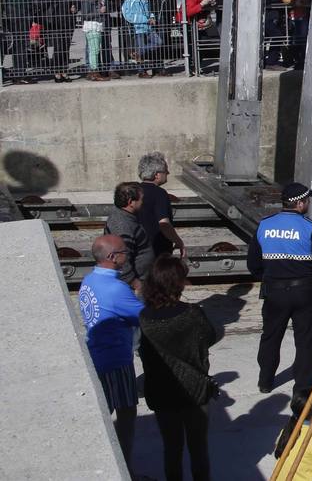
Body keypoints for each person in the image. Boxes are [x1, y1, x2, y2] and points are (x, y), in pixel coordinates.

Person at [247, 183, 312, 396]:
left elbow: (253, 265)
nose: (309, 204)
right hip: (305, 292)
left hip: (274, 292)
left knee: (270, 336)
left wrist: (270, 277)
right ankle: (302, 388)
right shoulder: (311, 228)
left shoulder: (264, 225)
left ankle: (265, 380)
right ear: (300, 203)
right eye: (308, 201)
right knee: (306, 340)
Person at [139, 254, 222, 481]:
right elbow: (211, 337)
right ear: (177, 283)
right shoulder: (192, 314)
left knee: (171, 448)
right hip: (193, 389)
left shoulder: (144, 317)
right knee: (198, 449)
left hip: (160, 389)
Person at [79, 234, 145, 465]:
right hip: (116, 360)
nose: (127, 254)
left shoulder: (88, 281)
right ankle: (125, 467)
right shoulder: (117, 289)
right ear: (111, 257)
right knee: (126, 413)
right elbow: (145, 318)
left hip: (95, 354)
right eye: (124, 251)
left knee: (103, 411)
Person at [103, 180, 152, 288]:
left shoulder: (123, 215)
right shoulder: (123, 226)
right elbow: (122, 260)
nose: (143, 202)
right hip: (134, 285)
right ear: (130, 202)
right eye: (141, 199)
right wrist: (134, 283)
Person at [137, 151, 186, 258]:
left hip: (138, 249)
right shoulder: (159, 193)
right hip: (156, 252)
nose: (168, 173)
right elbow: (164, 224)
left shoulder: (135, 190)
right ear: (157, 175)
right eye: (165, 170)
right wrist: (179, 242)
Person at [3, 0, 41, 83]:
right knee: (20, 44)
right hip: (17, 13)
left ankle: (21, 73)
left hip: (22, 13)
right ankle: (19, 75)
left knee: (23, 43)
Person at [42, 0, 79, 82]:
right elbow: (41, 6)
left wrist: (75, 7)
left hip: (68, 22)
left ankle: (64, 71)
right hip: (55, 23)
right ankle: (57, 72)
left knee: (65, 47)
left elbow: (78, 2)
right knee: (58, 47)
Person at [121, 0, 161, 74]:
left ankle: (136, 53)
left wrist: (152, 17)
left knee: (158, 42)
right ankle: (141, 71)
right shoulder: (128, 1)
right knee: (140, 46)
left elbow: (149, 11)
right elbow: (129, 17)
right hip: (138, 29)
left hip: (148, 27)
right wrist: (146, 19)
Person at [80, 0, 111, 80]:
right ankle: (94, 71)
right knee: (94, 50)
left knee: (96, 49)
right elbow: (85, 15)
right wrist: (99, 12)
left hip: (98, 26)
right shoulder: (87, 0)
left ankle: (95, 70)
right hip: (92, 27)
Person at [282, 0, 312, 69]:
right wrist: (294, 1)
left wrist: (302, 1)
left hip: (302, 15)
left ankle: (302, 60)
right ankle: (292, 59)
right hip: (292, 15)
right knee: (292, 39)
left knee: (302, 38)